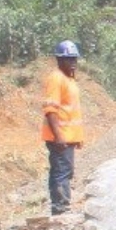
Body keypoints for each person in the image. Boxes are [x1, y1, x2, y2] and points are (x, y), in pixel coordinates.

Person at [42, 40, 86, 215]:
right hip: (60, 137)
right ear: (59, 60)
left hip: (68, 137)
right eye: (69, 59)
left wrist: (77, 137)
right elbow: (50, 110)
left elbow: (71, 111)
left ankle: (62, 207)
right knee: (61, 173)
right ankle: (60, 209)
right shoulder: (56, 78)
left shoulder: (69, 79)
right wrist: (58, 135)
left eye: (74, 59)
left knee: (66, 172)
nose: (73, 62)